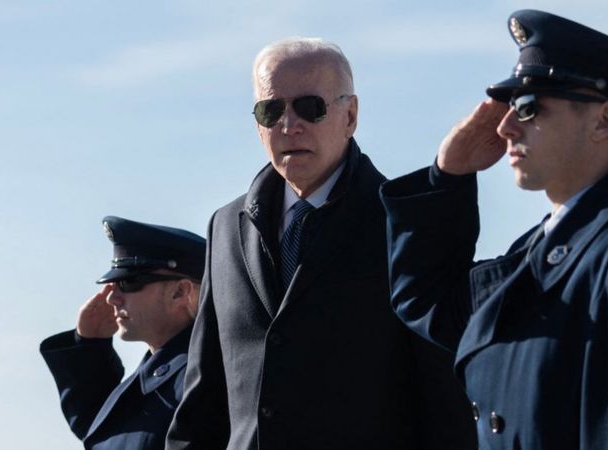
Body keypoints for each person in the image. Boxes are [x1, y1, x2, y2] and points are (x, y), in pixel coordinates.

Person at [379, 10, 608, 450]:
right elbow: (432, 306)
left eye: (528, 106)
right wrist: (447, 177)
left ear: (603, 121)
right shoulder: (553, 247)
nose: (504, 127)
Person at [165, 37, 477, 450]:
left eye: (310, 107)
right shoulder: (225, 227)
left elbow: (444, 404)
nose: (289, 125)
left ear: (350, 116)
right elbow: (204, 400)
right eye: (271, 110)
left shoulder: (400, 225)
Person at [40, 216, 206, 450]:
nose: (111, 298)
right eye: (112, 285)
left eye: (129, 283)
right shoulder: (164, 372)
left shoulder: (205, 377)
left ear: (180, 292)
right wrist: (90, 346)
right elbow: (105, 432)